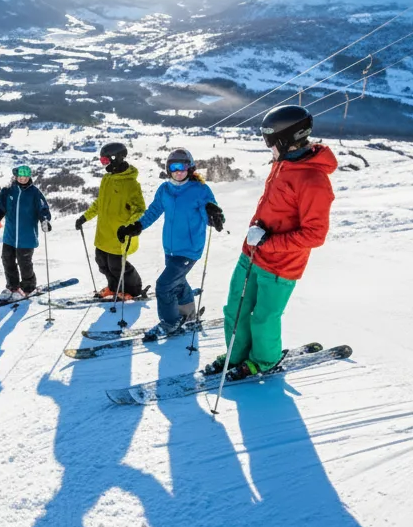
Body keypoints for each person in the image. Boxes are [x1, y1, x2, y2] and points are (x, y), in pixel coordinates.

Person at [206, 105, 336, 381]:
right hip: (252, 254)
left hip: (281, 265)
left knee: (264, 318)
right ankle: (235, 355)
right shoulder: (283, 163)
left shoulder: (313, 180)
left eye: (270, 141)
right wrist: (258, 236)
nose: (268, 148)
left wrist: (269, 241)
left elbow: (315, 234)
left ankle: (264, 361)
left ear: (286, 141)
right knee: (235, 309)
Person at [116, 148, 225, 339]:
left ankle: (170, 322)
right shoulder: (164, 190)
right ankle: (188, 314)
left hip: (189, 249)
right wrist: (136, 227)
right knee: (178, 282)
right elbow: (153, 212)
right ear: (168, 169)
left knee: (164, 285)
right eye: (174, 167)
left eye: (183, 166)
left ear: (190, 168)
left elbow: (210, 210)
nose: (178, 171)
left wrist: (214, 215)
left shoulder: (200, 190)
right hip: (170, 248)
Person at [75, 141, 145, 299]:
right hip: (104, 233)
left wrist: (130, 227)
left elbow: (139, 210)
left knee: (117, 266)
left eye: (105, 160)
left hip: (119, 234)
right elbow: (99, 203)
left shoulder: (131, 184)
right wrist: (85, 217)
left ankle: (134, 289)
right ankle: (113, 287)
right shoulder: (107, 178)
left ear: (116, 158)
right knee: (102, 262)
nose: (104, 164)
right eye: (102, 161)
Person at [0, 165, 52, 301]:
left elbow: (43, 209)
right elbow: (0, 208)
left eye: (26, 177)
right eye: (20, 177)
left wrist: (45, 221)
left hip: (26, 236)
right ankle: (13, 286)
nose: (23, 179)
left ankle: (28, 288)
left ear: (29, 177)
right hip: (10, 235)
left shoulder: (35, 193)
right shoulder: (8, 191)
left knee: (25, 263)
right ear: (16, 177)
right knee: (7, 260)